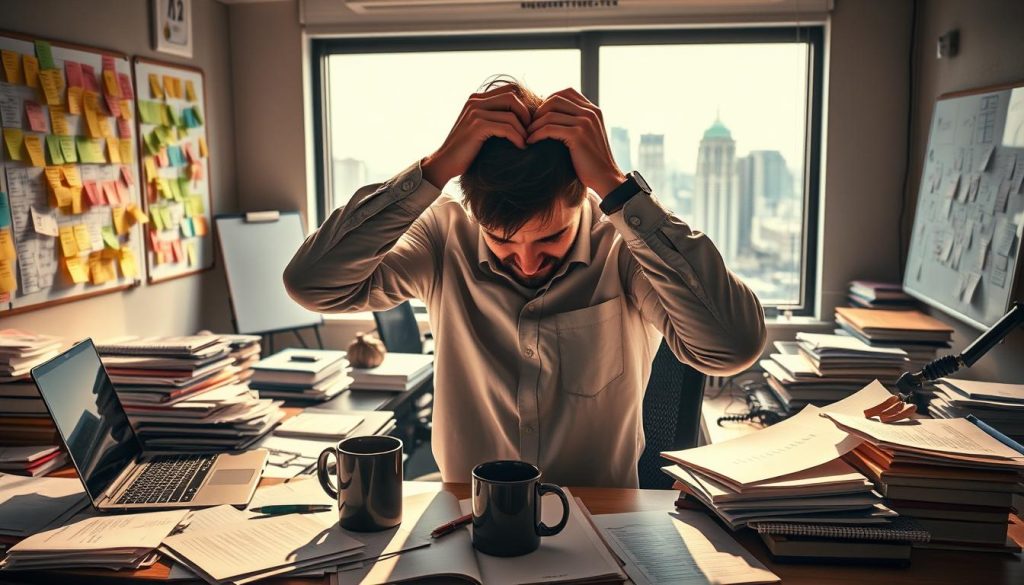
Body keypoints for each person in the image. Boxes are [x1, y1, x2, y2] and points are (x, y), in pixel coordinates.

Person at [284, 78, 766, 487]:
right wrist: (436, 169)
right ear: (474, 212)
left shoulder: (623, 249)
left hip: (601, 522)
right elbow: (312, 285)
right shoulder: (442, 236)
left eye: (551, 237)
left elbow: (733, 348)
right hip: (463, 521)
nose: (529, 262)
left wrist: (618, 189)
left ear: (582, 197)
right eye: (502, 241)